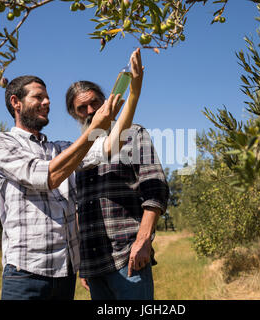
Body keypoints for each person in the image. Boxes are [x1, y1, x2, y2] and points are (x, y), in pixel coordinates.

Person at [0, 49, 144, 300]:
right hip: (26, 273)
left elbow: (110, 146)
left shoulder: (59, 148)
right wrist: (93, 128)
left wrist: (133, 92)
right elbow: (48, 177)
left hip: (64, 273)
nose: (47, 102)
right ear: (16, 102)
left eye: (47, 97)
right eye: (39, 97)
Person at [65, 50, 169, 300]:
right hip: (94, 264)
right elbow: (79, 207)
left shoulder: (133, 134)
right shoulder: (78, 151)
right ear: (74, 113)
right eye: (82, 108)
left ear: (107, 101)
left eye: (94, 103)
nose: (90, 110)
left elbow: (155, 190)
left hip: (128, 257)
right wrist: (82, 265)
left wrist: (143, 240)